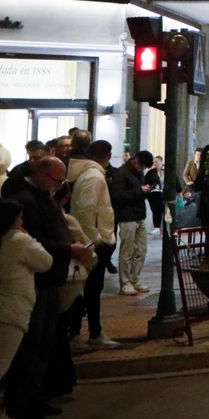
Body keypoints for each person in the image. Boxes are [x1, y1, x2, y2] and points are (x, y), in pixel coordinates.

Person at [1, 158, 93, 419]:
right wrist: (68, 249)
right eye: (57, 180)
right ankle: (21, 404)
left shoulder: (44, 197)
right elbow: (35, 240)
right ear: (41, 173)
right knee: (30, 346)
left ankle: (35, 397)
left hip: (52, 279)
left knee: (45, 343)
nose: (59, 186)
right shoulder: (25, 200)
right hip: (37, 282)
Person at [0, 197, 52, 419]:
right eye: (19, 217)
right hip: (12, 311)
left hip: (7, 307)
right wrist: (27, 235)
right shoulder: (19, 241)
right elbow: (45, 261)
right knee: (2, 365)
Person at [65, 139, 116, 352]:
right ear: (107, 156)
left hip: (90, 241)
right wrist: (97, 241)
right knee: (88, 290)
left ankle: (87, 333)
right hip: (92, 244)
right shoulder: (94, 177)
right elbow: (86, 212)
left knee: (88, 290)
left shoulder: (88, 175)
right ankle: (83, 334)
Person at [107, 151, 149, 297]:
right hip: (126, 217)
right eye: (141, 166)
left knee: (141, 250)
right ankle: (125, 283)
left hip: (139, 215)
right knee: (127, 252)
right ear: (135, 160)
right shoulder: (121, 173)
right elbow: (117, 196)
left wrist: (143, 191)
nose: (141, 169)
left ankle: (134, 279)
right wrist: (139, 191)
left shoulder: (137, 173)